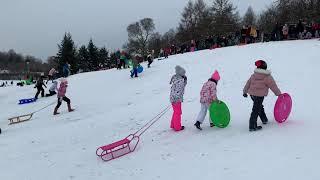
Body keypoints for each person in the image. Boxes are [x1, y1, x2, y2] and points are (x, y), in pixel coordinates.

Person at [243, 60, 282, 132]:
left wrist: (245, 92)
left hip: (252, 95)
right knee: (256, 110)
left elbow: (248, 84)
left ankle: (264, 119)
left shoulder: (254, 75)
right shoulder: (267, 76)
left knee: (259, 107)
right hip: (259, 96)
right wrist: (279, 94)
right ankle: (252, 126)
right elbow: (273, 86)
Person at [170, 65, 187, 131]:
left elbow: (181, 87)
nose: (184, 75)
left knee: (175, 112)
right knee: (178, 112)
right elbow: (178, 90)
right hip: (176, 99)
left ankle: (173, 124)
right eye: (183, 73)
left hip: (173, 98)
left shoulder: (176, 78)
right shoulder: (180, 81)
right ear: (180, 73)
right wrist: (177, 99)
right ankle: (177, 127)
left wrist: (185, 81)